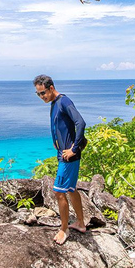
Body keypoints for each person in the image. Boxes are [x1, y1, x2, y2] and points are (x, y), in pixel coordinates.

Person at [33, 74, 87, 245]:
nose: (41, 97)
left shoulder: (64, 102)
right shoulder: (55, 103)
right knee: (71, 189)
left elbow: (81, 123)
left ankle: (64, 230)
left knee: (58, 191)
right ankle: (80, 223)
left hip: (68, 156)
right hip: (63, 154)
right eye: (38, 94)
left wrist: (74, 148)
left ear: (50, 88)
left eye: (43, 93)